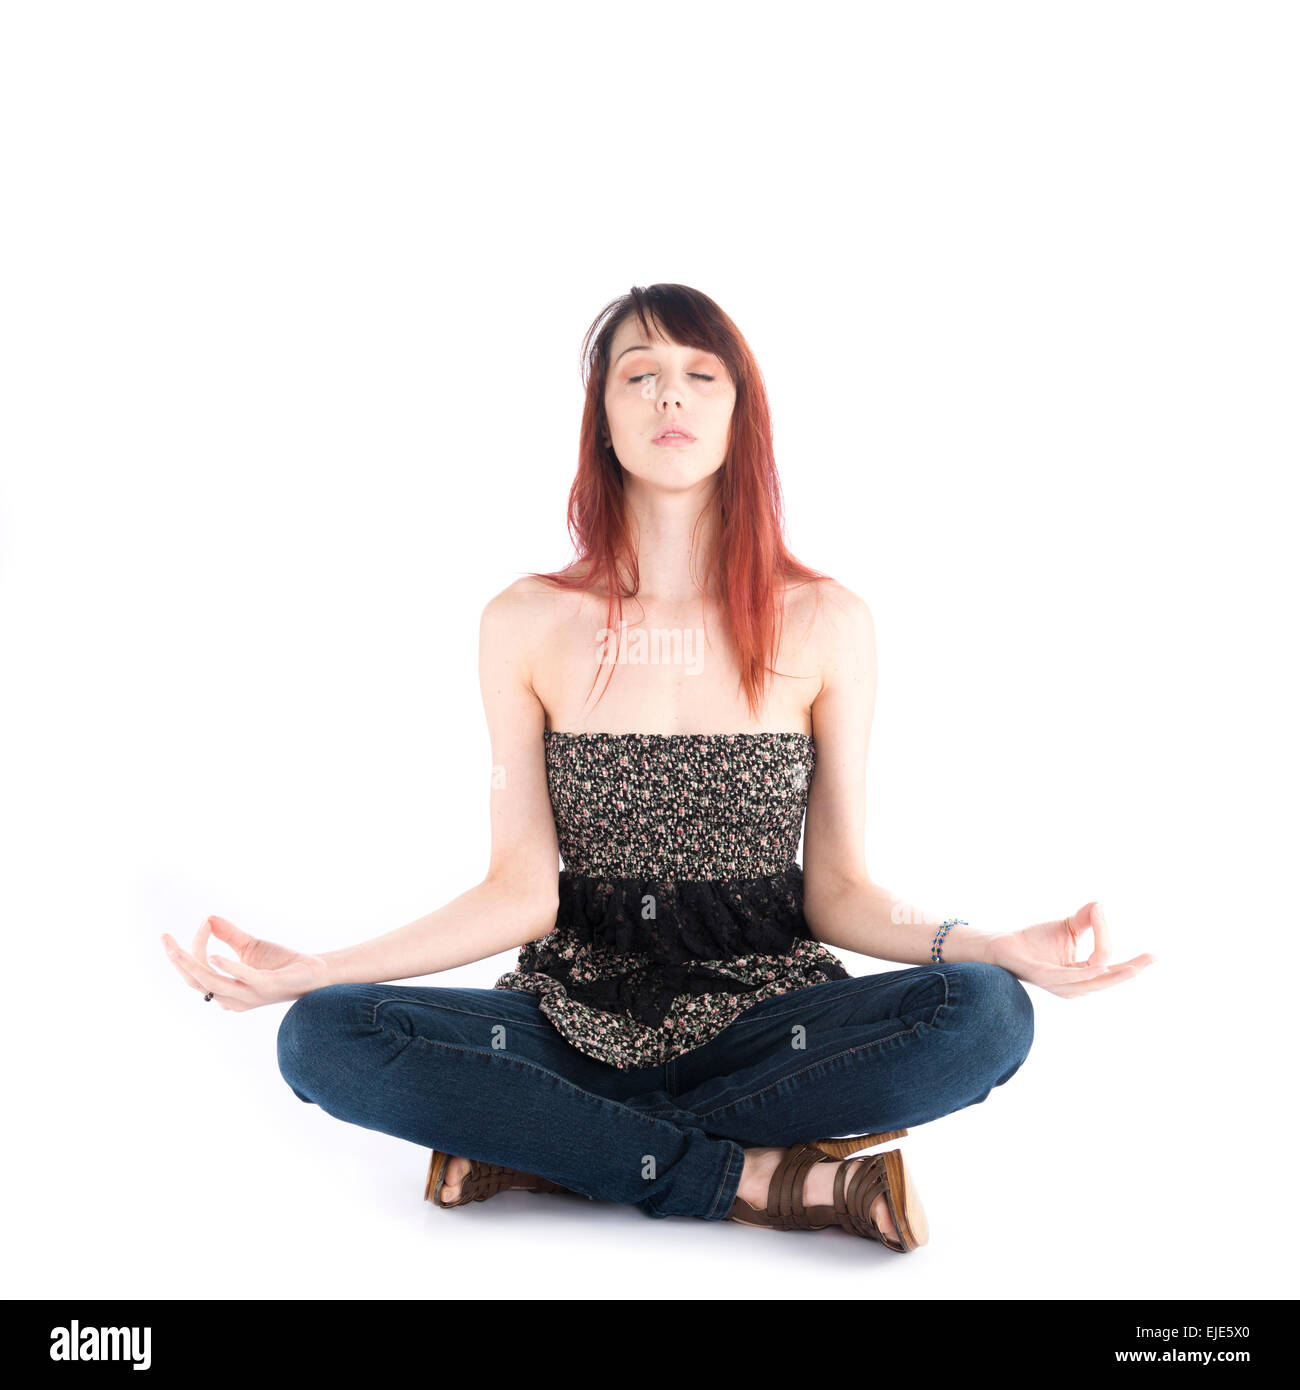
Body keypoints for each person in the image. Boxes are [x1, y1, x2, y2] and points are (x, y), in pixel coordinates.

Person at [160, 283, 1155, 1252]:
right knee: (325, 1034)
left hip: (768, 1027)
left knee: (983, 1012)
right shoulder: (525, 622)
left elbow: (841, 891)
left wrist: (988, 942)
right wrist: (320, 967)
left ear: (738, 413)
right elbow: (519, 893)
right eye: (638, 375)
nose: (668, 395)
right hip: (565, 1020)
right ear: (602, 418)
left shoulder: (827, 622)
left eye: (698, 374)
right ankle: (758, 1177)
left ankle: (551, 1147)